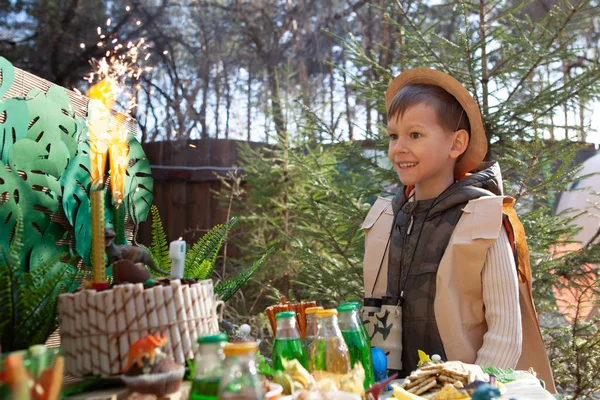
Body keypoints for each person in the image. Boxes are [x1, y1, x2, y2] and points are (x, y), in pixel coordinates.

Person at [363, 68, 555, 391]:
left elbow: (505, 334)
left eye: (415, 135)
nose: (399, 148)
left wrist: (467, 392)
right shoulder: (388, 220)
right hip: (399, 392)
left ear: (457, 143)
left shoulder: (482, 219)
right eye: (393, 136)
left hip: (464, 392)